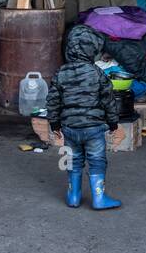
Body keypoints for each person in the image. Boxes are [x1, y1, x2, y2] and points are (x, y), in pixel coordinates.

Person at [47, 26, 125, 209]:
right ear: (92, 49)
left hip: (70, 128)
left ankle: (73, 196)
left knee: (72, 160)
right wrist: (113, 123)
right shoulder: (97, 73)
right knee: (97, 160)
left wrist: (54, 123)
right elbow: (108, 99)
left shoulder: (61, 73)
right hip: (94, 129)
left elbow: (52, 100)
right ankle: (99, 198)